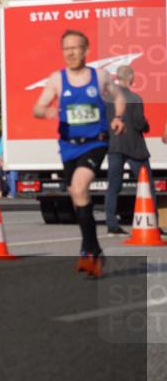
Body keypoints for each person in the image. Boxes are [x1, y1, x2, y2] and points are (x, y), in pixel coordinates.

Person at [32, 29, 125, 278]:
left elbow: (119, 97)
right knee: (76, 194)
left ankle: (91, 250)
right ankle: (91, 247)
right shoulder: (57, 79)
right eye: (66, 48)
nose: (71, 52)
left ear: (86, 50)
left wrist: (117, 117)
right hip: (68, 145)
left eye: (76, 47)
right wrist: (46, 111)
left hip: (95, 142)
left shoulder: (100, 76)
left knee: (80, 186)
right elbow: (38, 107)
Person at [103, 66, 151, 236]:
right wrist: (147, 126)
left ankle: (112, 225)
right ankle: (152, 223)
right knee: (146, 185)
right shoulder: (134, 98)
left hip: (114, 147)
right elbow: (139, 123)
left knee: (113, 187)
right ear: (131, 77)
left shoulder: (107, 98)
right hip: (135, 147)